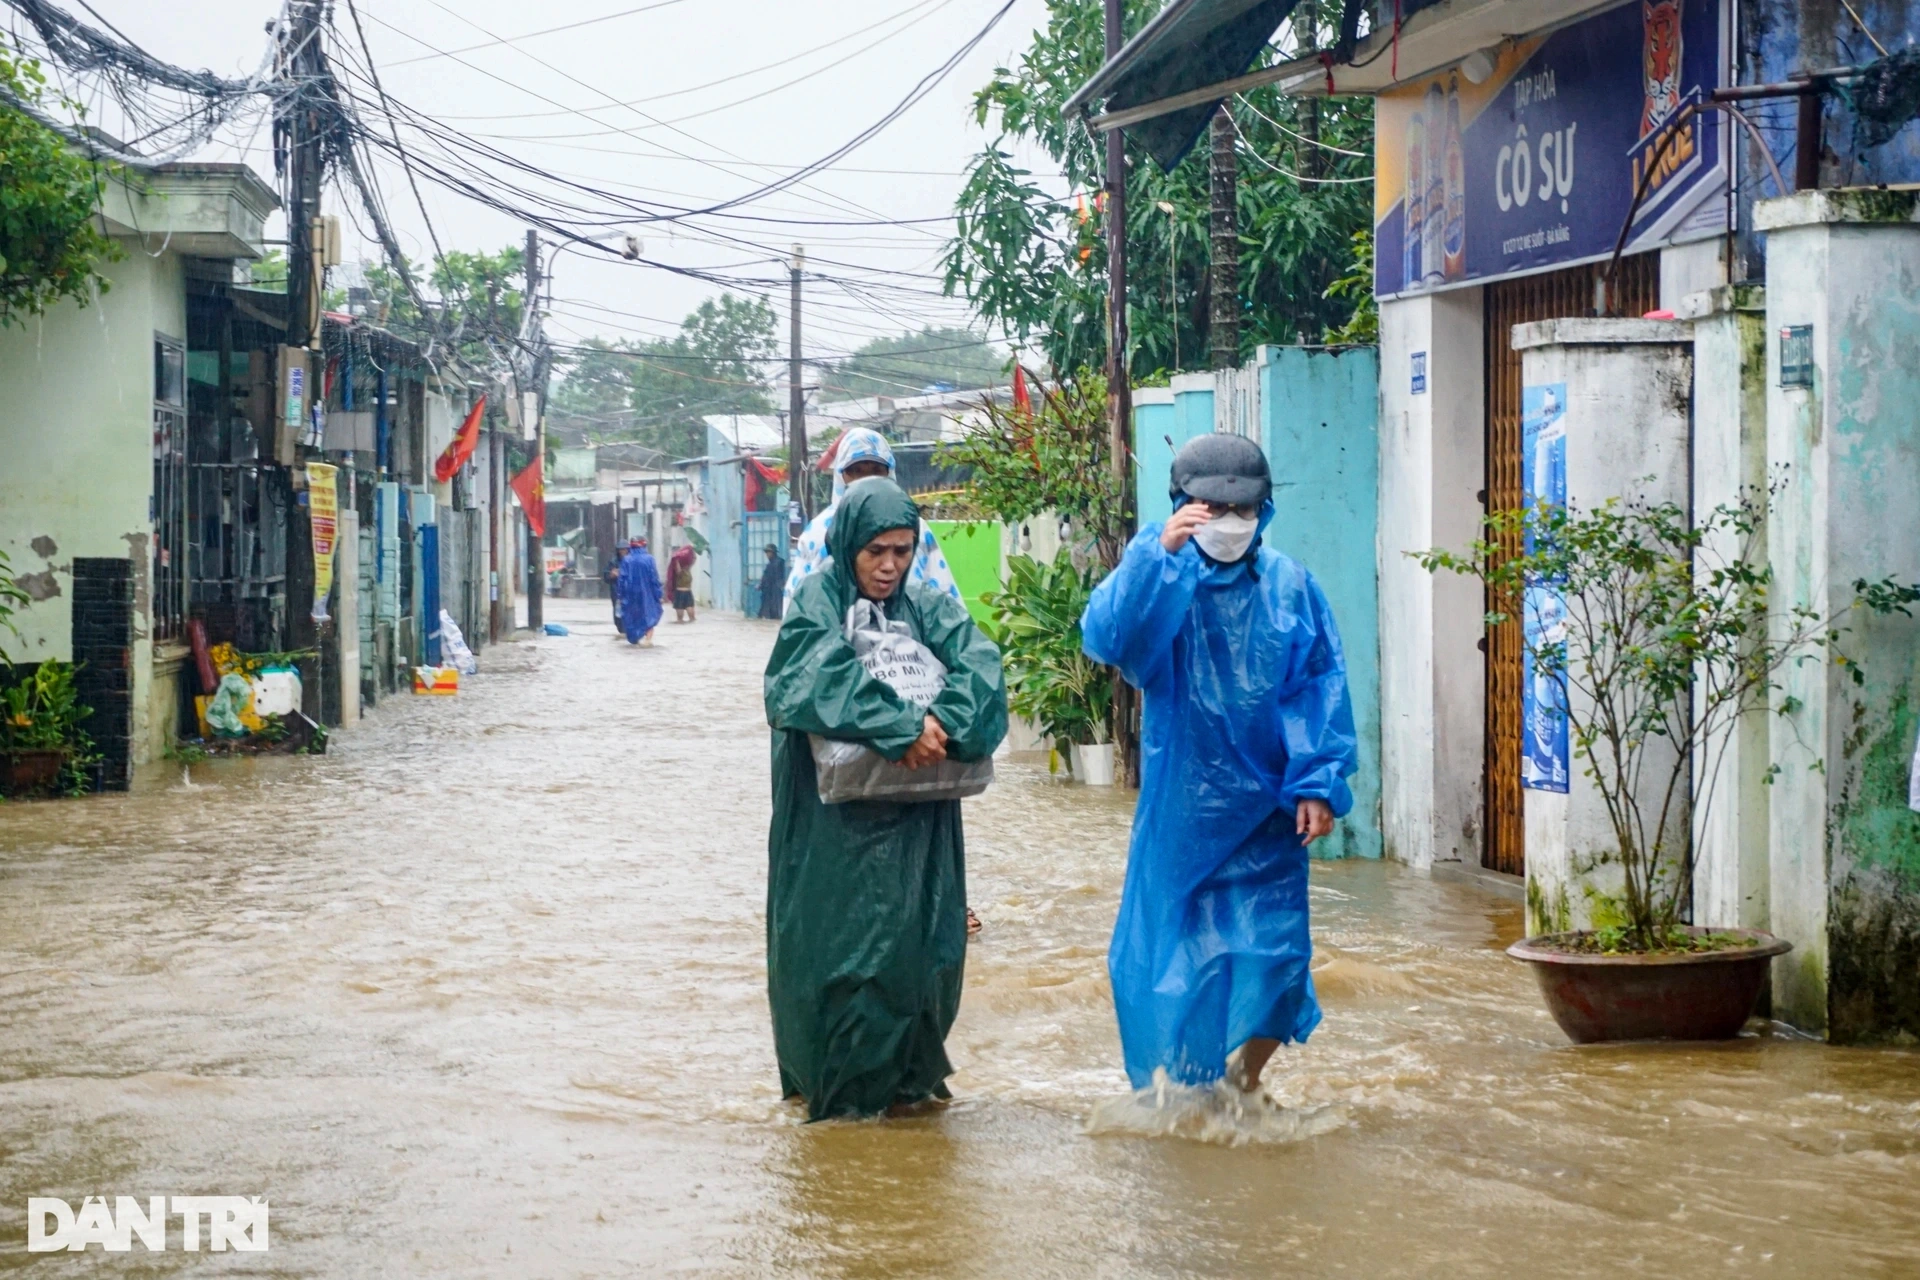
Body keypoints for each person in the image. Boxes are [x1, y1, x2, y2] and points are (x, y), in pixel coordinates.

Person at [1081, 433, 1358, 1098]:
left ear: (1264, 510)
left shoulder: (1291, 585)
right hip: (1185, 809)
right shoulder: (1166, 578)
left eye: (1243, 510)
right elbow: (1109, 638)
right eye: (1212, 509)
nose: (1230, 524)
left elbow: (1319, 684)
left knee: (1279, 957)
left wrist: (1317, 783)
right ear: (1183, 506)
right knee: (1184, 962)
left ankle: (1246, 1078)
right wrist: (1157, 554)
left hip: (1269, 809)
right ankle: (1189, 1097)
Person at [763, 478, 1007, 1120]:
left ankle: (908, 1091)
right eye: (876, 552)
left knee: (923, 954)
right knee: (843, 960)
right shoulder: (818, 600)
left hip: (919, 831)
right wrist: (900, 726)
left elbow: (981, 666)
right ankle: (839, 1108)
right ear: (848, 547)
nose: (890, 565)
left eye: (902, 551)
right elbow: (804, 679)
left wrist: (944, 724)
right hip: (833, 837)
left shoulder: (928, 606)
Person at [783, 428, 961, 613]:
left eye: (876, 470)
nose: (866, 479)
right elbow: (796, 604)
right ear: (840, 474)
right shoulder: (817, 533)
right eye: (856, 471)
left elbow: (946, 599)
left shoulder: (915, 529)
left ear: (889, 473)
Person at [616, 536, 664, 647]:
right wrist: (659, 595)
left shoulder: (626, 560)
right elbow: (654, 578)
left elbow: (621, 580)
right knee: (649, 614)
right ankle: (648, 639)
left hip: (630, 594)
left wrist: (620, 595)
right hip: (648, 594)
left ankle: (636, 639)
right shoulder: (649, 559)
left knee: (632, 616)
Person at [665, 541, 698, 624]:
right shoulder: (688, 569)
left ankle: (680, 620)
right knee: (689, 605)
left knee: (679, 607)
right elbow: (693, 560)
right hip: (688, 590)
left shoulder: (680, 572)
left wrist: (676, 561)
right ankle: (692, 618)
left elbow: (678, 570)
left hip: (680, 591)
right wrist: (693, 552)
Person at [756, 542, 786, 620]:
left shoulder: (779, 562)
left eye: (769, 552)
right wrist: (761, 585)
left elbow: (776, 576)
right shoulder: (770, 564)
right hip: (768, 590)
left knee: (776, 608)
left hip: (776, 590)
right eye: (767, 552)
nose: (767, 554)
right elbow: (766, 577)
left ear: (773, 553)